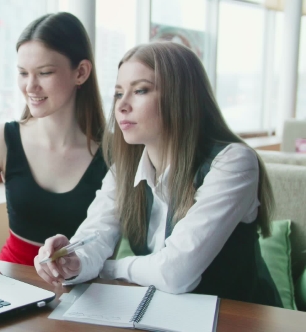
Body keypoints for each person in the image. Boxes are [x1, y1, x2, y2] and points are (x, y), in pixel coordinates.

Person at [35, 41, 283, 307]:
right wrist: (73, 262)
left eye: (140, 90)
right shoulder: (124, 169)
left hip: (239, 317)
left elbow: (175, 273)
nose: (122, 106)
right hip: (165, 313)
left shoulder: (233, 162)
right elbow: (95, 235)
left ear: (181, 97)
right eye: (119, 93)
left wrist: (108, 268)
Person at [0, 12, 107, 279]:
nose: (30, 86)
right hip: (10, 284)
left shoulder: (112, 155)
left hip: (82, 293)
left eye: (45, 73)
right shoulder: (1, 140)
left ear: (81, 72)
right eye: (22, 73)